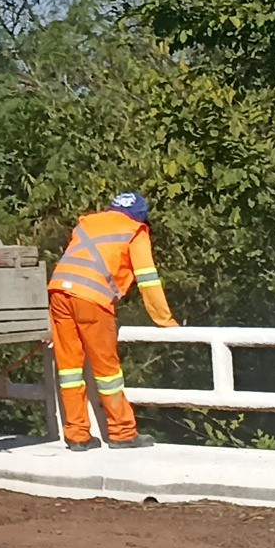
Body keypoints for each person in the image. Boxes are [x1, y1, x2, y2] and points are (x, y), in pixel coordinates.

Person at [46, 191, 177, 451]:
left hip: (58, 291)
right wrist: (165, 319)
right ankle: (122, 433)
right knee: (107, 370)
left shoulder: (89, 223)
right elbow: (147, 279)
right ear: (140, 216)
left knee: (69, 369)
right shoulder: (135, 230)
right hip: (91, 297)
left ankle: (77, 435)